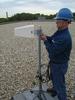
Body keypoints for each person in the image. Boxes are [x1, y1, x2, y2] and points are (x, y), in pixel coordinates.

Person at [40, 8, 73, 100]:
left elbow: (52, 51)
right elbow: (53, 39)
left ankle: (62, 97)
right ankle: (55, 90)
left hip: (59, 65)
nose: (56, 22)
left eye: (58, 20)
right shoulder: (60, 32)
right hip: (55, 63)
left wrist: (45, 41)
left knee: (60, 85)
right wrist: (46, 37)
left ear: (66, 22)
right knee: (54, 78)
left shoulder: (65, 37)